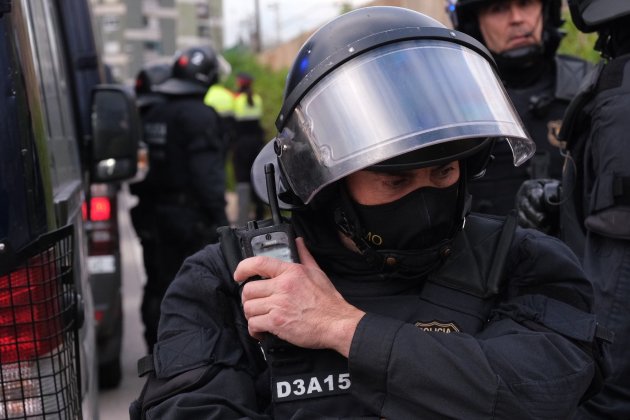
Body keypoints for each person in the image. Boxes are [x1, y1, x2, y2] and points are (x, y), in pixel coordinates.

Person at [130, 7, 608, 419]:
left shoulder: (521, 264)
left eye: (442, 173)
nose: (425, 199)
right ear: (330, 185)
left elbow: (544, 390)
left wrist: (342, 328)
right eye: (395, 181)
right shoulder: (232, 281)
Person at [516, 1, 630, 417]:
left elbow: (620, 289)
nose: (515, 18)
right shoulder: (614, 75)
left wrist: (595, 400)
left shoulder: (622, 91)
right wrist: (564, 201)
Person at [450, 0, 592, 217]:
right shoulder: (451, 100)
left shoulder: (588, 87)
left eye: (525, 3)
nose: (516, 18)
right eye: (497, 8)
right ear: (474, 24)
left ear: (546, 10)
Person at [132, 45, 229, 350]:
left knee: (157, 283)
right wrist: (221, 221)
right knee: (195, 289)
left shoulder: (153, 112)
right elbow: (207, 175)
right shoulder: (199, 115)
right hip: (188, 220)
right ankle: (190, 357)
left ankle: (156, 351)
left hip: (152, 215)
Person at [232, 72, 266, 226]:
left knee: (242, 180)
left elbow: (234, 123)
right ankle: (260, 217)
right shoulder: (257, 99)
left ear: (239, 83)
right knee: (256, 178)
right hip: (257, 144)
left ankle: (243, 221)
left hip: (241, 145)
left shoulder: (237, 100)